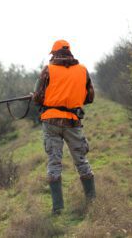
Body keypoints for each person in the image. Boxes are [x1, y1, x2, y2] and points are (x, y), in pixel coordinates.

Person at [33, 39, 96, 215]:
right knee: (82, 161)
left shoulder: (48, 70)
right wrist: (72, 97)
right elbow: (90, 97)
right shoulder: (82, 70)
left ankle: (58, 209)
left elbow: (38, 97)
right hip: (73, 122)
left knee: (54, 163)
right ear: (70, 52)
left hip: (51, 122)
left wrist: (39, 97)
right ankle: (92, 202)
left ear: (54, 54)